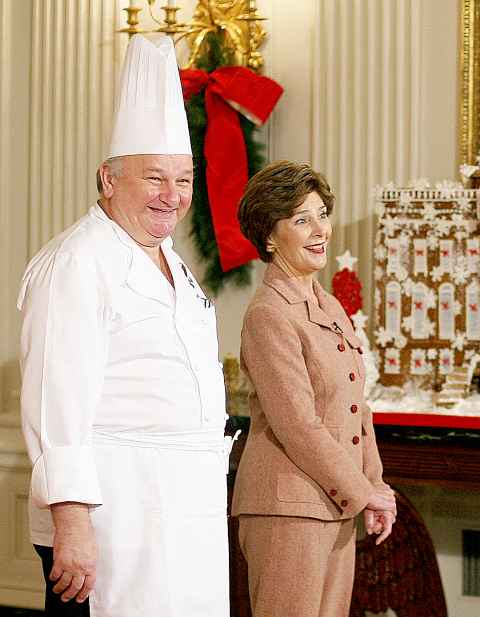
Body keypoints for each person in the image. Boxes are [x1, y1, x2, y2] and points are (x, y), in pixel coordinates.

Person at [17, 35, 230, 617]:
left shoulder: (172, 264)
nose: (174, 196)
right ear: (108, 179)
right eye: (155, 178)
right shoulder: (77, 263)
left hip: (185, 518)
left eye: (184, 179)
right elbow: (53, 401)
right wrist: (73, 524)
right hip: (115, 518)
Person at [233, 160, 396, 617]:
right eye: (301, 219)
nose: (319, 229)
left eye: (322, 214)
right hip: (286, 510)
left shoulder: (328, 306)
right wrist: (363, 492)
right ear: (270, 236)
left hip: (335, 504)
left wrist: (373, 486)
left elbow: (354, 410)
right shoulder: (269, 314)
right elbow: (297, 424)